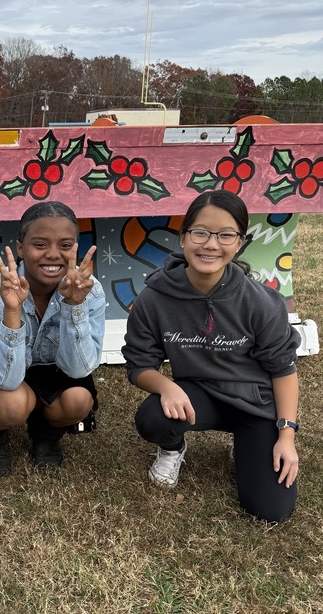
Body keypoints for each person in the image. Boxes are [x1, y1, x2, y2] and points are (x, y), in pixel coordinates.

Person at [122, 189, 300, 522]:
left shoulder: (262, 301)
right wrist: (165, 386)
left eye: (225, 235)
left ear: (240, 242)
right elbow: (139, 364)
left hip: (255, 403)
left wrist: (286, 435)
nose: (211, 244)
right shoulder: (154, 298)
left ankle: (248, 444)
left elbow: (283, 369)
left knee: (270, 511)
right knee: (152, 417)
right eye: (201, 232)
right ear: (184, 237)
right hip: (197, 395)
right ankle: (173, 448)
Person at [0, 201, 106, 475]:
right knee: (11, 405)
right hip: (3, 368)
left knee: (78, 401)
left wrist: (75, 306)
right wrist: (12, 311)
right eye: (40, 244)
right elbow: (5, 379)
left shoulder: (90, 291)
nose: (53, 255)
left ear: (76, 247)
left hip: (54, 366)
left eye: (65, 245)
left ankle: (46, 434)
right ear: (20, 247)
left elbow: (77, 369)